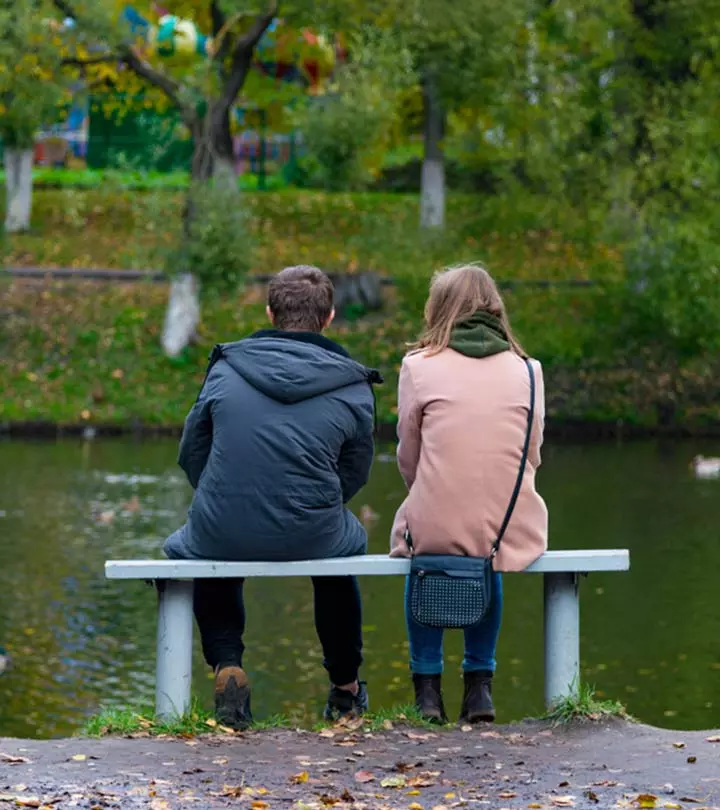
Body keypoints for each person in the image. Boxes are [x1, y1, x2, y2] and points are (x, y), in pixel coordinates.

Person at [165, 266, 382, 729]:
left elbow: (192, 451)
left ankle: (227, 663)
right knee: (344, 552)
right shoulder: (352, 381)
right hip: (315, 528)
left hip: (225, 521)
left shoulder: (226, 368)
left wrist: (228, 492)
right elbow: (356, 468)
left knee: (212, 538)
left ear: (269, 312)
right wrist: (316, 498)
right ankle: (345, 687)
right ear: (329, 318)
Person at [390, 264, 548, 724]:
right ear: (495, 308)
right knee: (488, 550)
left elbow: (408, 452)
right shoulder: (529, 371)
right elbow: (532, 451)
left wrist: (434, 490)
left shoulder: (418, 367)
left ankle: (427, 691)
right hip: (508, 519)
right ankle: (480, 688)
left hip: (436, 513)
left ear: (438, 309)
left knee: (426, 551)